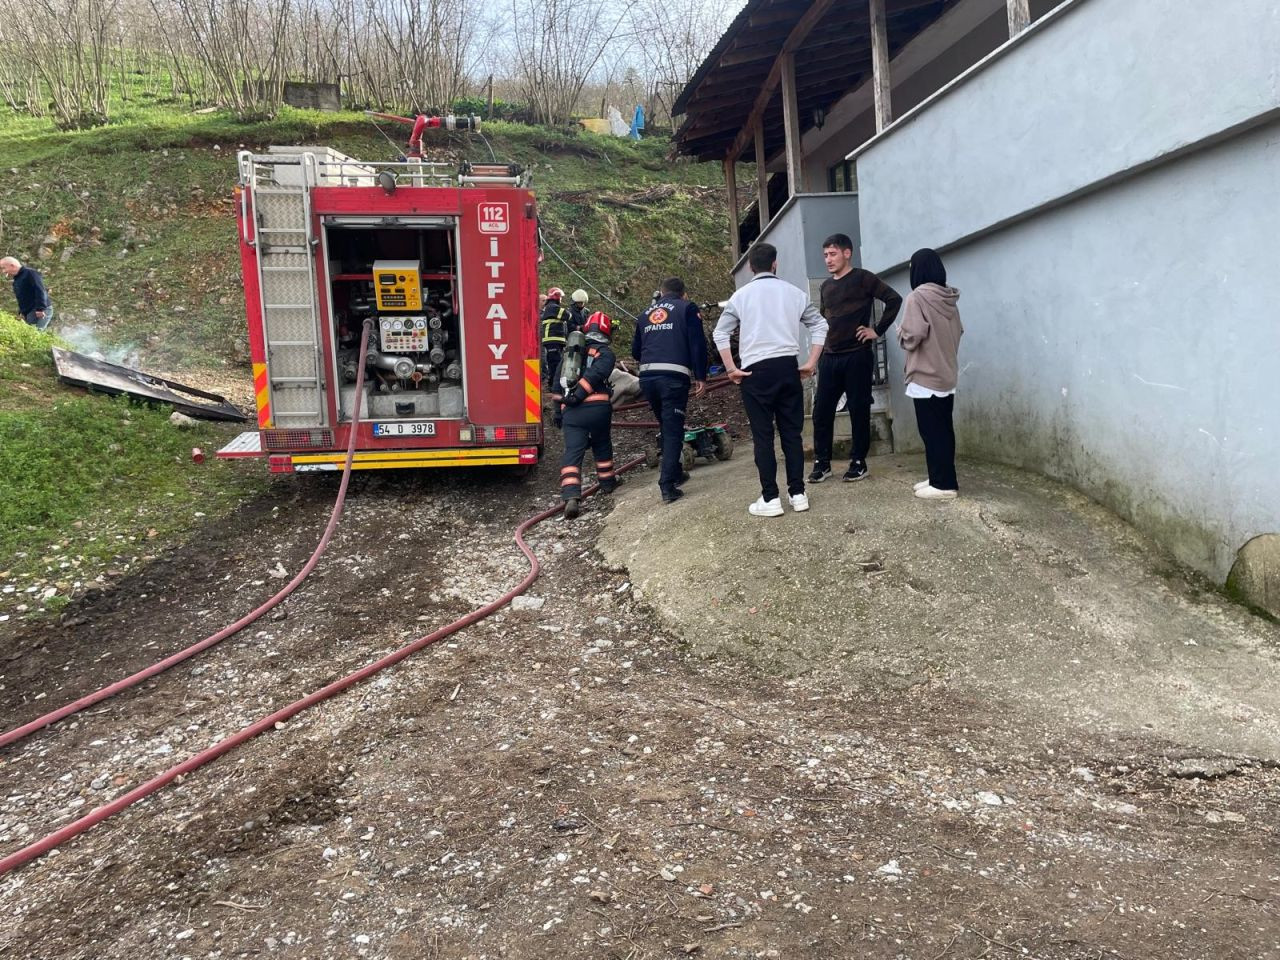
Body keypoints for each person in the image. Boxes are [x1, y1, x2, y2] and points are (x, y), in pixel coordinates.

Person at [713, 243, 827, 517]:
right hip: (787, 367)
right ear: (775, 263)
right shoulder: (795, 293)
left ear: (750, 267)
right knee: (791, 434)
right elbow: (820, 324)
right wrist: (811, 363)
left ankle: (770, 498)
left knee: (763, 436)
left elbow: (720, 333)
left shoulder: (740, 297)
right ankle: (798, 494)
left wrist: (731, 369)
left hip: (755, 373)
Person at [809, 234, 901, 484]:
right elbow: (823, 321)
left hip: (857, 355)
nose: (828, 260)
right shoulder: (826, 287)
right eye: (825, 255)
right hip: (830, 357)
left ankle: (858, 462)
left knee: (859, 410)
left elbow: (894, 299)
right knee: (821, 411)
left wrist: (877, 330)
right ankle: (822, 463)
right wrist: (816, 357)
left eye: (833, 254)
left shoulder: (863, 278)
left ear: (847, 253)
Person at [633, 277, 708, 504]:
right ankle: (667, 485)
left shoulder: (645, 314)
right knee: (674, 429)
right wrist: (701, 376)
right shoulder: (687, 308)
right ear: (683, 293)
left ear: (661, 292)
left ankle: (675, 472)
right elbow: (697, 344)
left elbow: (636, 350)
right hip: (673, 377)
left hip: (647, 378)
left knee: (666, 426)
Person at [898, 248, 963, 501]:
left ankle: (943, 485)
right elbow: (959, 331)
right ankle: (939, 476)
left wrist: (900, 333)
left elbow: (913, 335)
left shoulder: (916, 298)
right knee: (943, 429)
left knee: (931, 431)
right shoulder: (949, 298)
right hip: (946, 373)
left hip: (925, 375)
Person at [557, 311, 617, 520]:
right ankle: (607, 483)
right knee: (602, 444)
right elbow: (598, 373)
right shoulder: (605, 353)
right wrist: (581, 393)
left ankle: (571, 496)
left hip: (572, 414)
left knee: (573, 452)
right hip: (598, 409)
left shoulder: (570, 354)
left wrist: (558, 411)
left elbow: (556, 383)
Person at [1, 257, 52, 330]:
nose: (3, 271)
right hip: (30, 312)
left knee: (36, 333)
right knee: (28, 331)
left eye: (4, 268)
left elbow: (40, 290)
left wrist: (40, 309)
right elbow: (22, 297)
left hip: (39, 310)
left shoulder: (30, 273)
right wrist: (22, 312)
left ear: (12, 265)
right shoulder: (17, 279)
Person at [539, 287, 570, 391]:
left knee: (555, 362)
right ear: (557, 297)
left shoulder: (550, 307)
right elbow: (567, 315)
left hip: (554, 340)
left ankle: (553, 384)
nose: (561, 299)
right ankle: (553, 385)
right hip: (553, 340)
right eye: (560, 297)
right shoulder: (553, 307)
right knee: (555, 363)